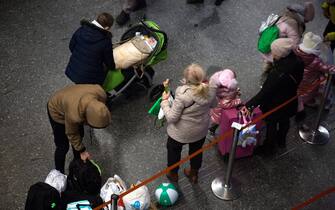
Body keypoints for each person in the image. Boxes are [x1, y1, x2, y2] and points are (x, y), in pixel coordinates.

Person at [242, 38, 304, 156]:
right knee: (285, 121)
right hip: (290, 99)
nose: (272, 53)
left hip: (275, 103)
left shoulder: (278, 73)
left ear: (280, 54)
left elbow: (265, 93)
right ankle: (281, 141)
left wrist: (248, 105)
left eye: (274, 51)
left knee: (271, 124)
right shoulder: (298, 61)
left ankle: (268, 148)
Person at [160, 64, 216, 184]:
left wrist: (164, 102)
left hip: (180, 132)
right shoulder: (210, 89)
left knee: (173, 151)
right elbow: (214, 105)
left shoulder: (182, 95)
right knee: (196, 151)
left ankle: (173, 174)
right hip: (200, 130)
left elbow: (171, 118)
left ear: (186, 79)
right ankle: (194, 174)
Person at [47, 84, 112, 173]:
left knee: (80, 135)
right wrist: (82, 150)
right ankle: (59, 173)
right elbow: (72, 133)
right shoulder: (74, 115)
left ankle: (78, 163)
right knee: (62, 146)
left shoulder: (100, 93)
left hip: (73, 97)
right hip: (56, 109)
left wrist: (80, 150)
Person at [65, 13, 115, 85]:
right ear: (107, 28)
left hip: (73, 71)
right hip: (90, 78)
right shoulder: (105, 41)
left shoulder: (81, 30)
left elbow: (71, 46)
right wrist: (113, 68)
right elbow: (109, 62)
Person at [262, 2, 314, 71]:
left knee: (268, 63)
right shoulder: (293, 24)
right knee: (274, 68)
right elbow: (295, 43)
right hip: (277, 52)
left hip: (268, 46)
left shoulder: (282, 17)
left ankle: (267, 67)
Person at [294, 32, 335, 120]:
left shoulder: (296, 51)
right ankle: (307, 102)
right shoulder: (316, 61)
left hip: (298, 79)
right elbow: (327, 68)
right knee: (309, 92)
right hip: (310, 82)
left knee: (300, 91)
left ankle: (300, 102)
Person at [208, 69, 242, 135]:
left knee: (216, 122)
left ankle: (212, 129)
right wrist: (237, 101)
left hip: (216, 110)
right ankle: (211, 130)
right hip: (220, 114)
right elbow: (225, 104)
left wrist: (236, 91)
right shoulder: (228, 93)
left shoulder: (219, 89)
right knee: (217, 123)